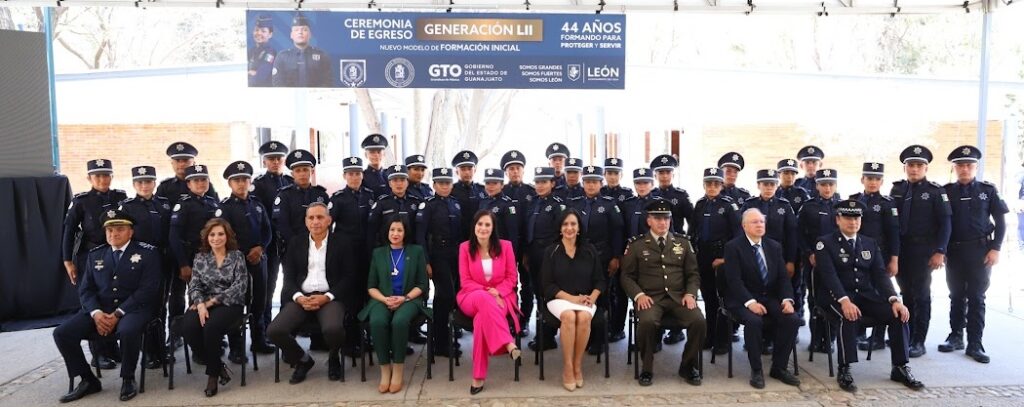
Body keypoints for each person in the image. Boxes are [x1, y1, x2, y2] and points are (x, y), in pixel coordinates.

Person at [814, 199, 924, 392]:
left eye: (856, 218)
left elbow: (880, 276)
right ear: (838, 220)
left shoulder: (869, 243)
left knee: (898, 314)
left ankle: (900, 366)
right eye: (848, 218)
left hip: (864, 296)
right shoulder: (825, 243)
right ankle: (845, 368)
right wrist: (844, 301)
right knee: (847, 316)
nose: (853, 222)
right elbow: (829, 276)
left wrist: (894, 299)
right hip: (834, 297)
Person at [53, 209, 161, 403]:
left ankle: (128, 378)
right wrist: (96, 313)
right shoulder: (96, 255)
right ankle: (88, 380)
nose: (114, 234)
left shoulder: (147, 253)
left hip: (134, 309)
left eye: (119, 229)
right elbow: (85, 290)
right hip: (100, 310)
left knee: (128, 331)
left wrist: (118, 313)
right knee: (62, 333)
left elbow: (148, 290)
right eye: (110, 231)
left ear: (131, 232)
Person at [621, 200, 706, 387]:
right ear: (649, 220)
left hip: (679, 298)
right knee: (647, 322)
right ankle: (647, 368)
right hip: (651, 299)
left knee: (699, 321)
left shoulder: (683, 243)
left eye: (666, 218)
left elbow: (693, 274)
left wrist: (691, 294)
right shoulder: (636, 245)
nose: (663, 222)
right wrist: (639, 296)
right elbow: (626, 276)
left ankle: (688, 365)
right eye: (657, 218)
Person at [267, 203, 351, 383]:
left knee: (333, 329)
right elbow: (288, 278)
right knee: (274, 330)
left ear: (329, 220)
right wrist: (299, 298)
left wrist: (326, 297)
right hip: (302, 297)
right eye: (311, 218)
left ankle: (334, 356)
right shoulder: (296, 243)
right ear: (305, 221)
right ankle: (303, 360)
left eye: (320, 217)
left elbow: (348, 278)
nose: (315, 222)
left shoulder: (342, 243)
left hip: (329, 298)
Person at [940, 145, 1008, 363]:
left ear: (975, 167)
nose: (965, 169)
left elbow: (1001, 222)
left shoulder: (987, 191)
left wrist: (996, 248)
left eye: (969, 165)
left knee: (977, 297)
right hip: (955, 251)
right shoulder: (946, 191)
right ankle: (956, 336)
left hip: (980, 251)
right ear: (955, 168)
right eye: (960, 165)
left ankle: (975, 343)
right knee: (956, 295)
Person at [721, 209, 801, 389]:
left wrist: (787, 299)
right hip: (741, 298)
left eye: (761, 222)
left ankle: (779, 367)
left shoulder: (774, 246)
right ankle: (756, 370)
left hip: (768, 297)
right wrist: (750, 303)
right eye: (754, 222)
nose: (759, 225)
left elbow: (782, 278)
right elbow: (734, 281)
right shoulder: (733, 247)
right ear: (744, 226)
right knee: (754, 321)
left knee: (792, 319)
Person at [61, 159, 128, 370]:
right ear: (89, 178)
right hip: (89, 256)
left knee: (113, 298)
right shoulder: (81, 201)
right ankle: (98, 354)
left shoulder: (121, 197)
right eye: (97, 176)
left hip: (115, 255)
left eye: (106, 175)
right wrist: (68, 261)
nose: (102, 179)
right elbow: (68, 232)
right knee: (93, 303)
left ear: (111, 176)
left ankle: (111, 346)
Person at [889, 145, 952, 357]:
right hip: (902, 249)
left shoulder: (936, 192)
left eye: (918, 165)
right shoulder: (897, 189)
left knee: (921, 295)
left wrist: (940, 251)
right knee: (905, 293)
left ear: (925, 168)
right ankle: (907, 333)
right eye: (910, 165)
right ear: (905, 167)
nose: (914, 169)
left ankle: (919, 341)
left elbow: (945, 224)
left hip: (923, 250)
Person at [180, 218, 250, 397]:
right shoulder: (200, 258)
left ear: (227, 236)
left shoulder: (237, 256)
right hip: (202, 302)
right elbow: (194, 285)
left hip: (230, 303)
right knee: (187, 326)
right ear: (206, 237)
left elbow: (240, 286)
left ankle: (212, 376)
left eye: (220, 234)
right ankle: (218, 366)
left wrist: (211, 302)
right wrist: (201, 304)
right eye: (212, 234)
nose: (216, 238)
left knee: (211, 327)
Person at [359, 217, 429, 393]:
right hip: (381, 299)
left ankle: (397, 369)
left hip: (409, 299)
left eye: (399, 230)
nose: (395, 234)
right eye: (392, 230)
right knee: (377, 322)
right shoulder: (378, 253)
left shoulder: (416, 251)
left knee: (399, 322)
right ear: (387, 232)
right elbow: (371, 286)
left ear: (405, 233)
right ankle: (385, 369)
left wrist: (404, 298)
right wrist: (384, 299)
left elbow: (422, 284)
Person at [457, 210, 523, 395]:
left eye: (487, 225)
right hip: (471, 295)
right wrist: (489, 292)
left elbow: (511, 277)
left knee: (480, 321)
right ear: (474, 226)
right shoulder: (464, 248)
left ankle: (478, 376)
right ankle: (508, 343)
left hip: (502, 297)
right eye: (480, 224)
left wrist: (499, 292)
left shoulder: (506, 246)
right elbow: (465, 280)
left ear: (493, 228)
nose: (483, 228)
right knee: (484, 302)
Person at [540, 209, 605, 391]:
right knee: (569, 316)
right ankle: (567, 367)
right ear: (560, 228)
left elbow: (600, 280)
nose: (569, 228)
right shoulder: (551, 251)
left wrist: (592, 297)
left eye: (573, 224)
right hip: (559, 299)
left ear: (579, 228)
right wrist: (572, 299)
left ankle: (577, 365)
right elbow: (548, 285)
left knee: (583, 318)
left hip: (585, 299)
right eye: (565, 224)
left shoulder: (589, 250)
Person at [218, 161, 275, 360]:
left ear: (250, 181)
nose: (241, 183)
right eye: (236, 180)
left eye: (244, 179)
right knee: (236, 303)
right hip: (236, 263)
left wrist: (260, 248)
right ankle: (236, 347)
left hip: (259, 260)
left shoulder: (257, 204)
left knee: (259, 300)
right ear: (230, 184)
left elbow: (268, 231)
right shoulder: (224, 208)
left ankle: (259, 340)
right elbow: (223, 236)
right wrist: (244, 253)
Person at [117, 166, 172, 368]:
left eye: (148, 181)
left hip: (163, 261)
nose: (144, 185)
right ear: (134, 185)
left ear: (154, 183)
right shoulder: (127, 207)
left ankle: (160, 347)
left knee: (161, 306)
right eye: (139, 182)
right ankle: (148, 352)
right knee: (143, 305)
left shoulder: (164, 205)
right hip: (138, 263)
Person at [569, 166, 622, 354]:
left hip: (603, 256)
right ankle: (585, 336)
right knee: (582, 295)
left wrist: (616, 257)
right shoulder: (575, 203)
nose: (591, 185)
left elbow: (617, 232)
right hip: (580, 256)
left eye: (595, 182)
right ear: (583, 183)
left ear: (601, 183)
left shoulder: (609, 204)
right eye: (587, 181)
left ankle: (600, 339)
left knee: (601, 297)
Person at [849, 162, 901, 351]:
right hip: (857, 254)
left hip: (880, 257)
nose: (873, 182)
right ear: (862, 179)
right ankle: (860, 332)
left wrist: (894, 259)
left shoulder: (887, 204)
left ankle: (878, 337)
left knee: (881, 294)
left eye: (877, 179)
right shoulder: (854, 200)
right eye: (869, 178)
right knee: (861, 291)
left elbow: (894, 233)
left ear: (882, 181)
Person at [690, 168, 741, 354]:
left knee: (723, 300)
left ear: (721, 185)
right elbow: (693, 231)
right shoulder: (700, 204)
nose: (712, 187)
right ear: (704, 185)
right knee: (709, 299)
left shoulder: (729, 205)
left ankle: (723, 341)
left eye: (716, 184)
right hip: (703, 256)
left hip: (722, 258)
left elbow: (738, 236)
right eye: (708, 184)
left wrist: (726, 258)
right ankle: (709, 336)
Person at [168, 164, 221, 344]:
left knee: (205, 298)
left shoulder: (213, 202)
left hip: (208, 258)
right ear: (188, 184)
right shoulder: (183, 205)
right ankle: (176, 336)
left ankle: (204, 336)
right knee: (178, 297)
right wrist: (183, 264)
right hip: (187, 257)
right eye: (195, 180)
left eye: (203, 179)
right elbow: (174, 236)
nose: (200, 183)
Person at [329, 156, 376, 355]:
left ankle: (366, 336)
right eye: (351, 174)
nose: (354, 177)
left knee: (368, 295)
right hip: (347, 256)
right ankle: (350, 341)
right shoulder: (338, 199)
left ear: (362, 175)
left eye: (358, 173)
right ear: (344, 176)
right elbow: (329, 226)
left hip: (368, 253)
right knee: (350, 298)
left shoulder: (370, 196)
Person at [416, 168, 464, 358]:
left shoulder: (455, 204)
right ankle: (440, 343)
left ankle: (444, 337)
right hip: (437, 255)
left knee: (448, 297)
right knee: (445, 295)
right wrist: (426, 261)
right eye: (441, 183)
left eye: (448, 183)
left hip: (455, 255)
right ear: (434, 185)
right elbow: (420, 236)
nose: (445, 186)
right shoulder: (427, 205)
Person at [796, 168, 841, 352]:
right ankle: (816, 338)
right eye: (823, 184)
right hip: (813, 259)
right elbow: (799, 233)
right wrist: (808, 253)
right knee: (814, 299)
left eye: (830, 184)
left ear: (835, 185)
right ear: (817, 186)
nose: (827, 188)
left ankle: (830, 339)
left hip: (837, 260)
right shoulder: (808, 206)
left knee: (834, 298)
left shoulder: (843, 206)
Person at [252, 141, 293, 338]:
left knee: (292, 283)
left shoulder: (289, 181)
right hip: (269, 244)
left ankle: (290, 324)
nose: (275, 162)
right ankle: (267, 328)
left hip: (289, 242)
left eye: (279, 158)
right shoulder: (258, 185)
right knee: (268, 287)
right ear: (264, 161)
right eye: (271, 159)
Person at [524, 167, 566, 350]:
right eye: (537, 182)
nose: (540, 186)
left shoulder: (558, 204)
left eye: (544, 182)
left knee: (548, 294)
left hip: (549, 254)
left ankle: (548, 336)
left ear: (552, 184)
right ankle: (543, 333)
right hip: (533, 254)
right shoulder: (532, 203)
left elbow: (562, 233)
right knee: (537, 293)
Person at [273, 149, 329, 250]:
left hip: (319, 247)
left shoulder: (321, 194)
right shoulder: (284, 196)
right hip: (293, 247)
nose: (302, 174)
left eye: (305, 169)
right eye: (298, 171)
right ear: (292, 174)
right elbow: (282, 225)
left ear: (311, 171)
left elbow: (327, 221)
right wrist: (298, 244)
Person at [272, 13, 332, 87]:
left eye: (304, 30)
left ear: (310, 34)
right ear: (291, 35)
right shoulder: (282, 57)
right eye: (296, 30)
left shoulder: (322, 56)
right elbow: (278, 84)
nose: (300, 32)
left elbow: (327, 82)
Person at [156, 141, 218, 207]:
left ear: (193, 163)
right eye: (177, 160)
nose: (181, 164)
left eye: (185, 160)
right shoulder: (165, 187)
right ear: (172, 163)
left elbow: (216, 208)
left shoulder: (204, 185)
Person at [451, 150, 485, 236]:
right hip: (457, 236)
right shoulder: (450, 190)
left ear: (475, 170)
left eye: (470, 169)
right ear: (456, 171)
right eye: (463, 169)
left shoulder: (483, 190)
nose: (467, 172)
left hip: (479, 235)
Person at [248, 14, 276, 87]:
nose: (259, 33)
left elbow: (260, 77)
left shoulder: (270, 53)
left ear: (270, 35)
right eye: (256, 30)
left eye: (263, 31)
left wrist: (250, 73)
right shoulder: (251, 51)